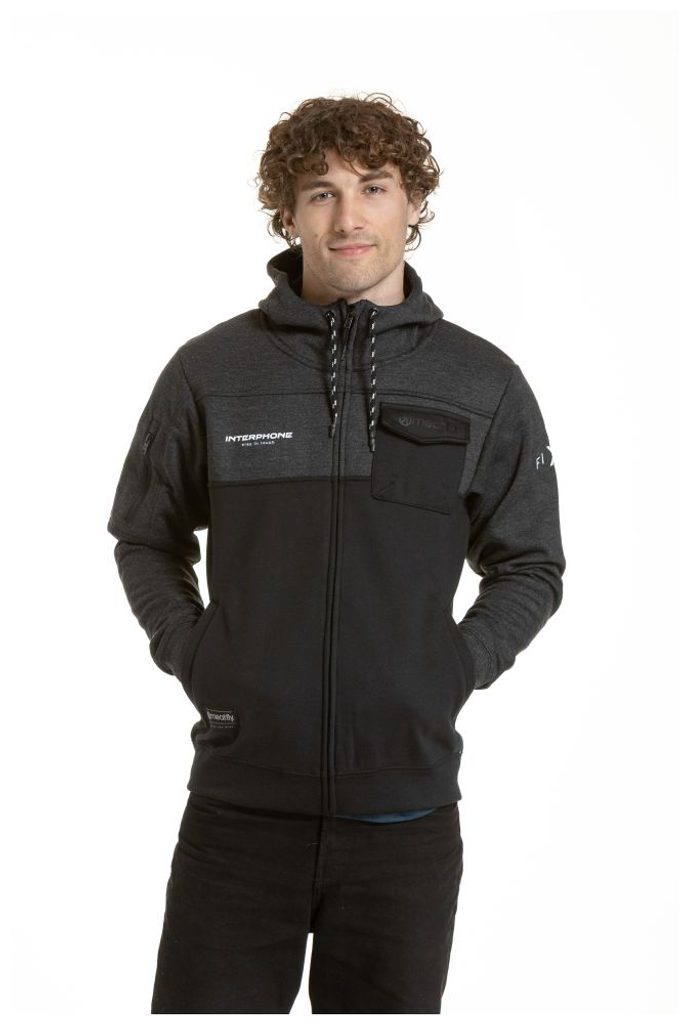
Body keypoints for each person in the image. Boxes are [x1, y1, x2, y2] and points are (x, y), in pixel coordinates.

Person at [106, 92, 566, 1013]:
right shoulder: (212, 373)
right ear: (287, 213)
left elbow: (529, 563)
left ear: (412, 203)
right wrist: (197, 653)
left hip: (406, 820)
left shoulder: (481, 382)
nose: (348, 216)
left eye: (374, 186)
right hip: (238, 815)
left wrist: (450, 667)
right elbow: (145, 535)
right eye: (320, 192)